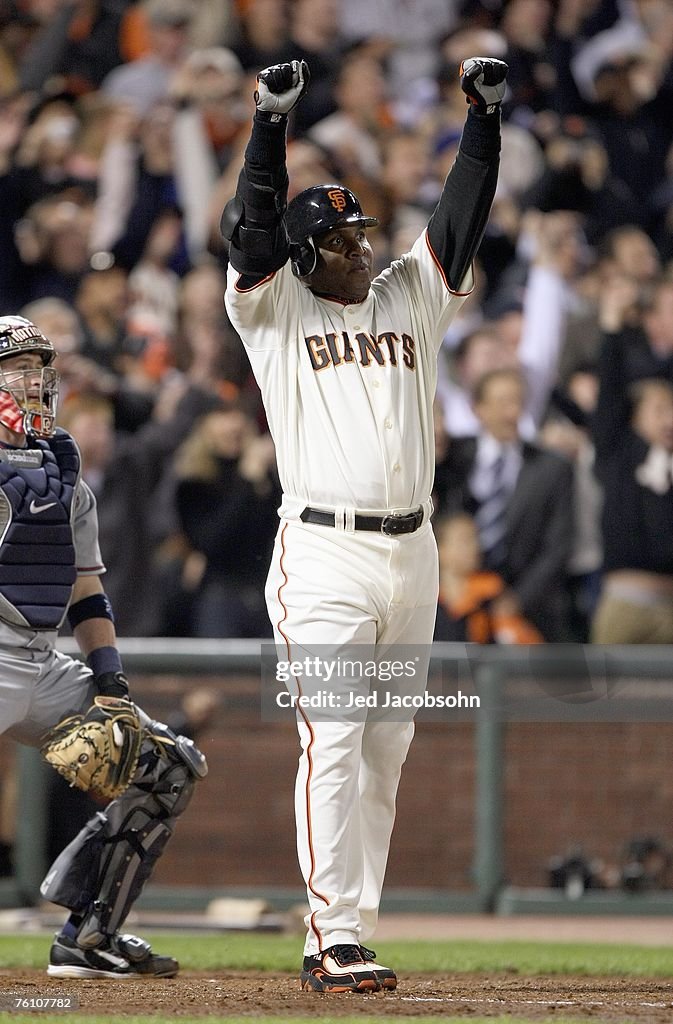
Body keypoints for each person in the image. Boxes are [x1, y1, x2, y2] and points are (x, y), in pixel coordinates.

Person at [222, 56, 506, 992]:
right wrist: (269, 124)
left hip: (410, 549)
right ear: (305, 257)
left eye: (363, 233)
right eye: (344, 239)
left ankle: (354, 927)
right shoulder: (272, 311)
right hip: (324, 550)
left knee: (386, 742)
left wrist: (482, 120)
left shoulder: (406, 299)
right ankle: (327, 932)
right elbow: (251, 222)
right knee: (335, 735)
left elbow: (457, 222)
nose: (365, 249)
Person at [0, 315, 207, 978]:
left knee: (169, 765)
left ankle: (88, 935)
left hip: (38, 655)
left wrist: (111, 687)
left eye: (39, 367)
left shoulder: (64, 477)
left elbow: (87, 593)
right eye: (16, 367)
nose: (32, 381)